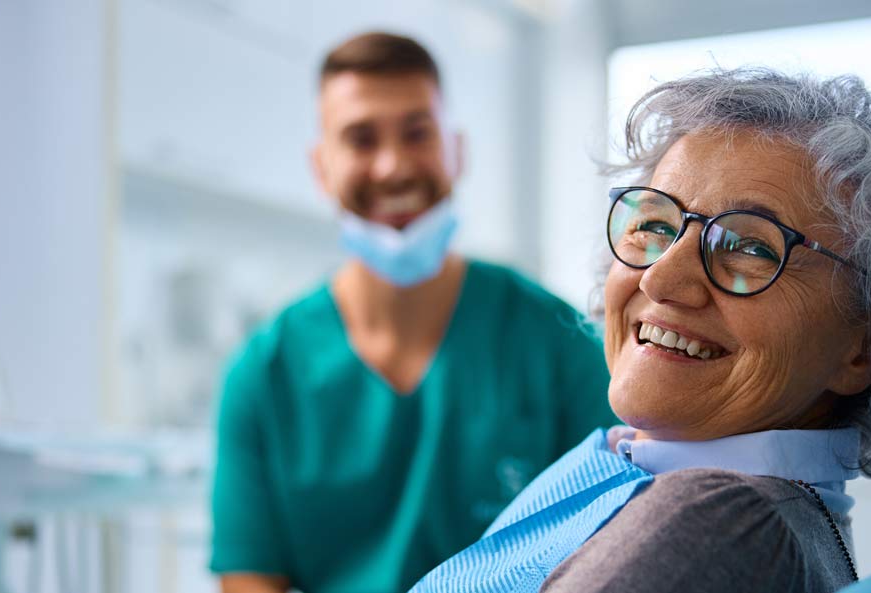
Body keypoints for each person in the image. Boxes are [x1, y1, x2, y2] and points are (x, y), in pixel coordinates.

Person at [408, 67, 871, 593]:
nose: (662, 278)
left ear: (864, 344)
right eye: (656, 224)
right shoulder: (636, 466)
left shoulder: (724, 521)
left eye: (748, 247)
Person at [209, 32, 616, 593]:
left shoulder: (559, 343)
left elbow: (613, 553)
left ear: (458, 151)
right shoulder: (264, 375)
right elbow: (250, 580)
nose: (393, 166)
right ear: (322, 168)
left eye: (417, 133)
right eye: (360, 138)